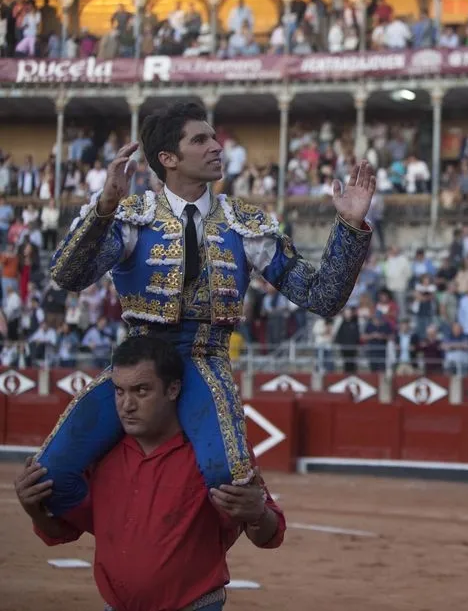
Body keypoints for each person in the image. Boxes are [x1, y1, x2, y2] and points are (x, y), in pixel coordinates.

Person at [37, 101, 375, 516]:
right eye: (201, 139)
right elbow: (68, 277)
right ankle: (123, 532)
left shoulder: (245, 223)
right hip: (137, 365)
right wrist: (104, 208)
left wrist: (350, 228)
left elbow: (322, 297)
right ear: (168, 158)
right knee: (47, 478)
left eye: (215, 137)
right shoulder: (129, 215)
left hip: (205, 361)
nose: (217, 146)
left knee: (229, 484)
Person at [15, 335, 285, 611]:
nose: (127, 405)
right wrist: (34, 508)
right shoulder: (100, 455)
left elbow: (269, 535)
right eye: (120, 391)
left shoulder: (212, 453)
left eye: (141, 391)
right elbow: (63, 531)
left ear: (173, 389)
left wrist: (258, 513)